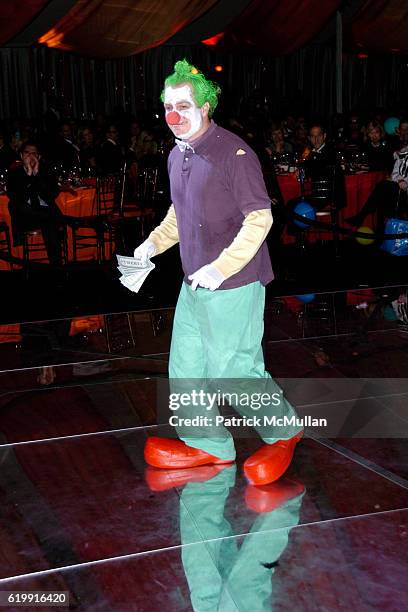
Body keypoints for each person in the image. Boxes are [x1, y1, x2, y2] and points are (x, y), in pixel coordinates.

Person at [133, 59, 303, 485]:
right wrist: (153, 244)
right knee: (186, 367)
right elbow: (180, 212)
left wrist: (221, 267)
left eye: (184, 106)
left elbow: (260, 218)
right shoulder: (177, 155)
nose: (174, 116)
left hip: (234, 284)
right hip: (193, 283)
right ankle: (207, 441)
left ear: (205, 107)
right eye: (169, 107)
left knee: (235, 370)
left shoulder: (235, 154)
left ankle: (284, 431)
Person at [7, 141, 66, 266]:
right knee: (49, 219)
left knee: (48, 222)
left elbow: (52, 195)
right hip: (25, 217)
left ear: (39, 157)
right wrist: (28, 175)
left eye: (34, 153)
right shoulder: (13, 174)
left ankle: (56, 267)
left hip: (45, 216)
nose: (31, 156)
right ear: (21, 156)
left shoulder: (46, 172)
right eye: (27, 153)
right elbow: (17, 198)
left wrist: (37, 174)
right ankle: (69, 220)